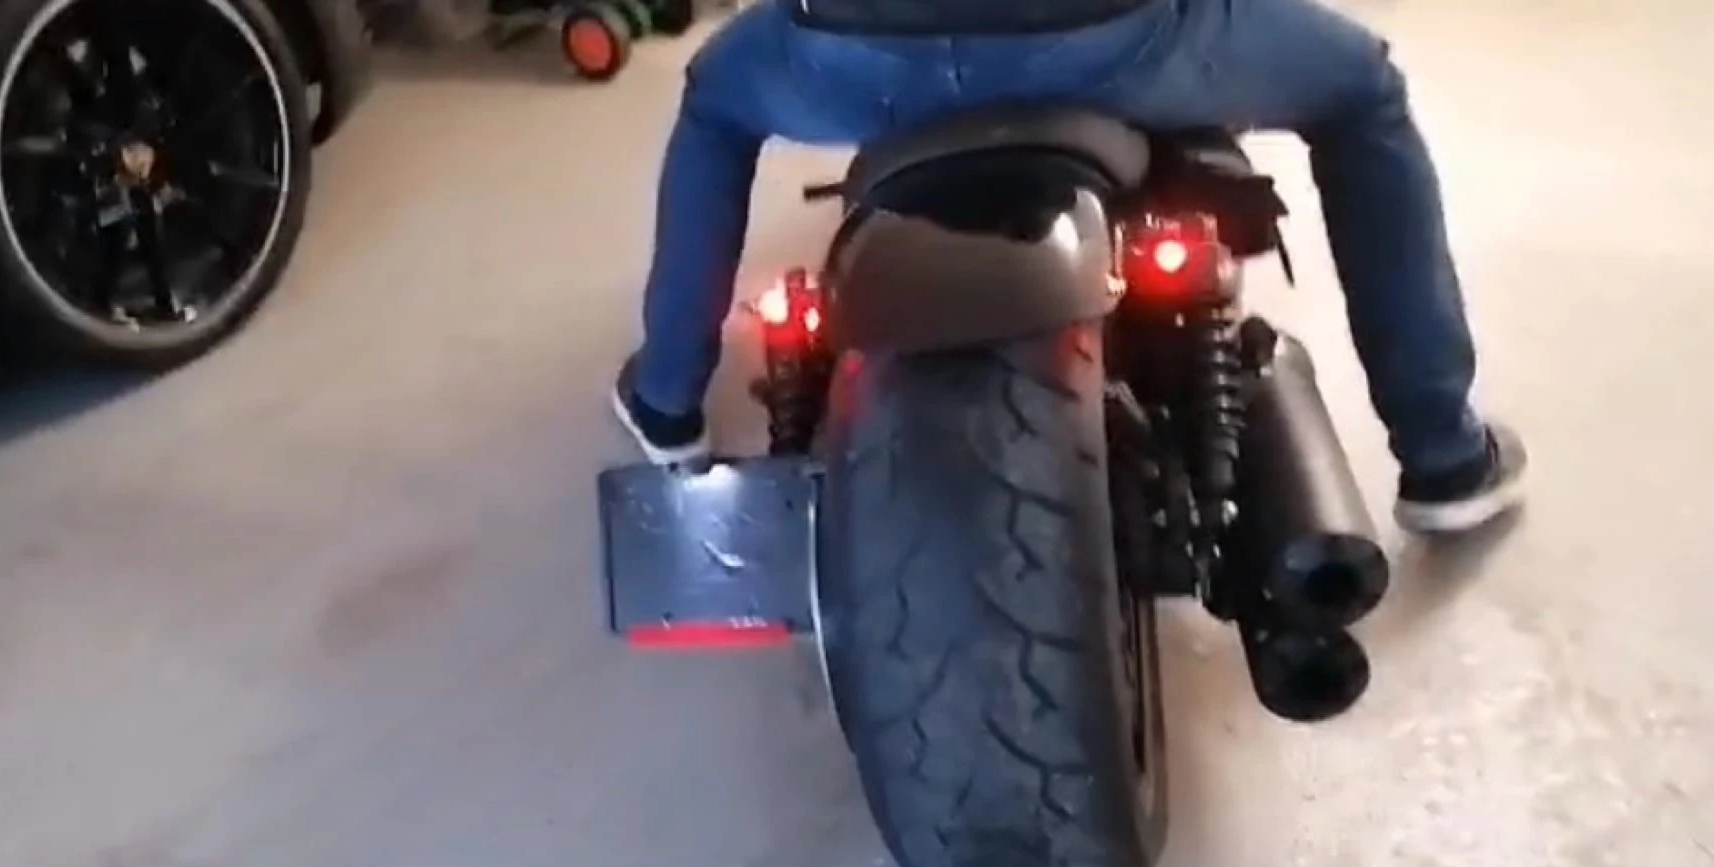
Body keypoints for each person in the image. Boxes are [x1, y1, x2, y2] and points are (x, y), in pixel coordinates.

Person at [610, 0, 1527, 535]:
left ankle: (668, 399)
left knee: (716, 105)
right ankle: (1441, 453)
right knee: (1362, 90)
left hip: (853, 55)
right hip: (1107, 41)